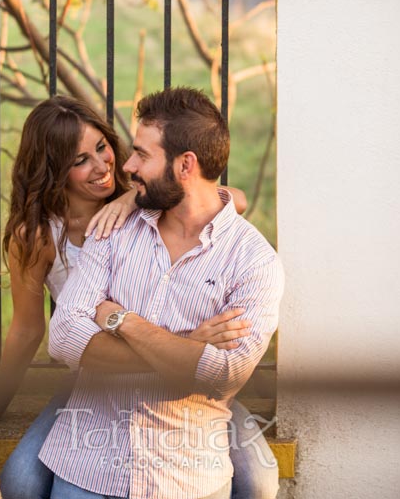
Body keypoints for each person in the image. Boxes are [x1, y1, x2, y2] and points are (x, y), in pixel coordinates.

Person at [0, 96, 277, 498]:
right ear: (53, 171)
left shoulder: (145, 198)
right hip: (98, 371)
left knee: (258, 480)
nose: (102, 167)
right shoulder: (37, 236)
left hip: (181, 382)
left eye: (102, 148)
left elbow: (223, 198)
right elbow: (29, 330)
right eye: (79, 161)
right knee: (21, 481)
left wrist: (130, 197)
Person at [37, 88, 284, 499]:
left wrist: (120, 319)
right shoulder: (113, 228)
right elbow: (63, 336)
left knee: (260, 481)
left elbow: (223, 377)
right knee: (21, 479)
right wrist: (187, 350)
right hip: (88, 466)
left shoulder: (254, 261)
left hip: (187, 475)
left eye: (142, 155)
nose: (128, 166)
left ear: (185, 164)